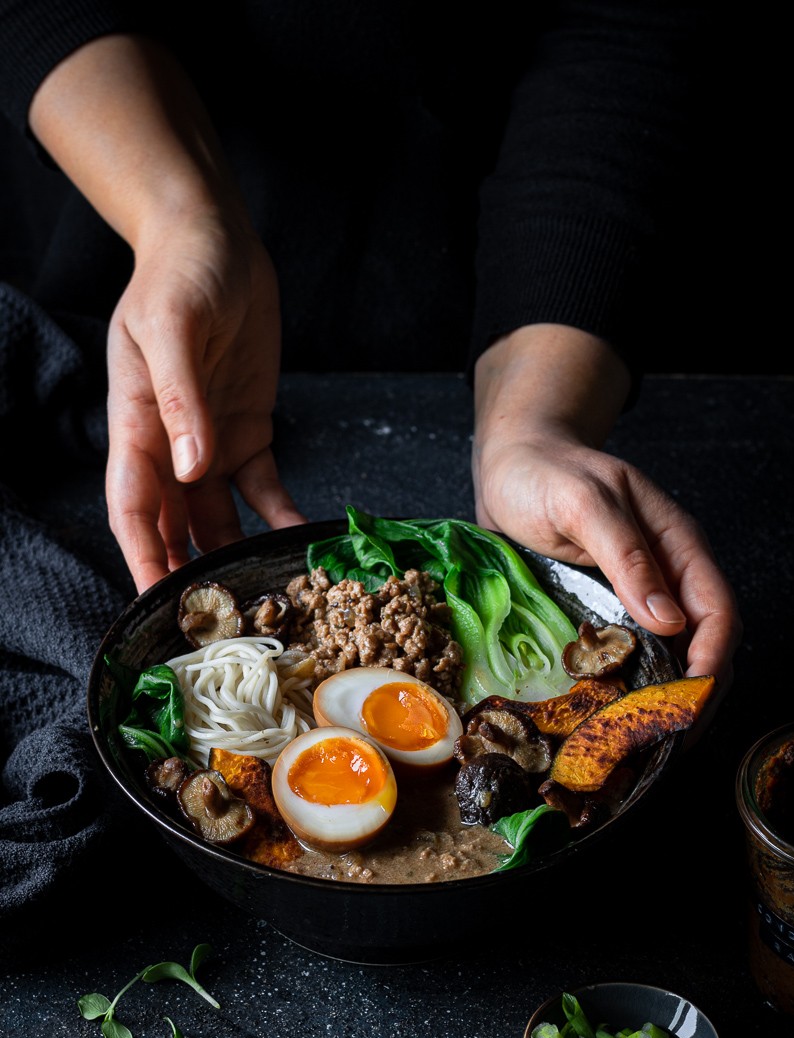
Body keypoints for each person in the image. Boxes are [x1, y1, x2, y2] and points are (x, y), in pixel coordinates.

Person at [0, 3, 741, 695]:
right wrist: (176, 221)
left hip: (504, 275)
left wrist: (534, 423)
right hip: (116, 217)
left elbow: (621, 28)